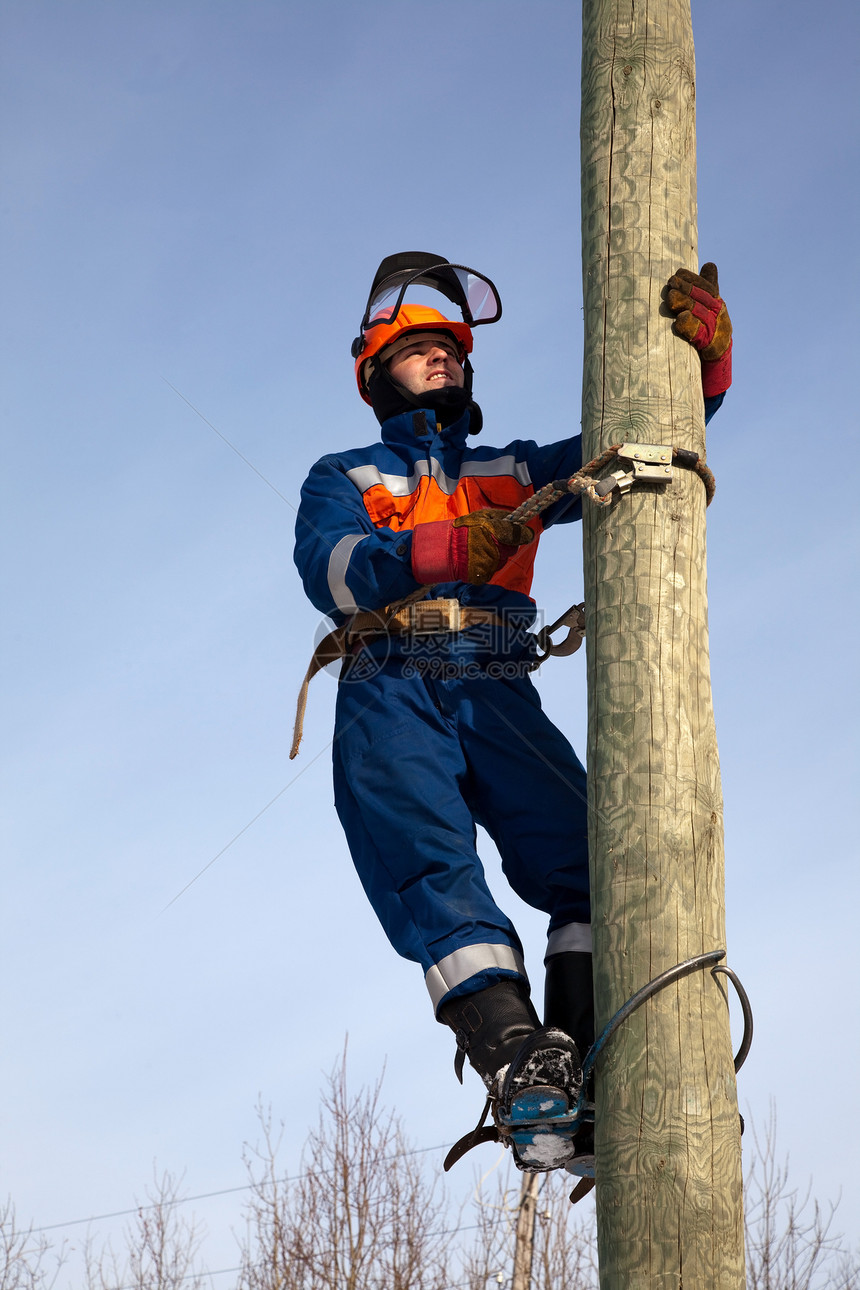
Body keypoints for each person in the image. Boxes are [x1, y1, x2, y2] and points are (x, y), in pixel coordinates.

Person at [293, 253, 732, 1172]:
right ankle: (517, 1059)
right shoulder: (345, 472)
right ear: (377, 371)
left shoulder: (512, 466)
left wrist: (701, 372)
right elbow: (329, 568)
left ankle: (585, 1055)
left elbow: (631, 447)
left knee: (589, 854)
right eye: (420, 350)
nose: (443, 361)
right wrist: (436, 548)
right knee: (430, 863)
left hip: (494, 679)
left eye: (453, 350)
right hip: (390, 677)